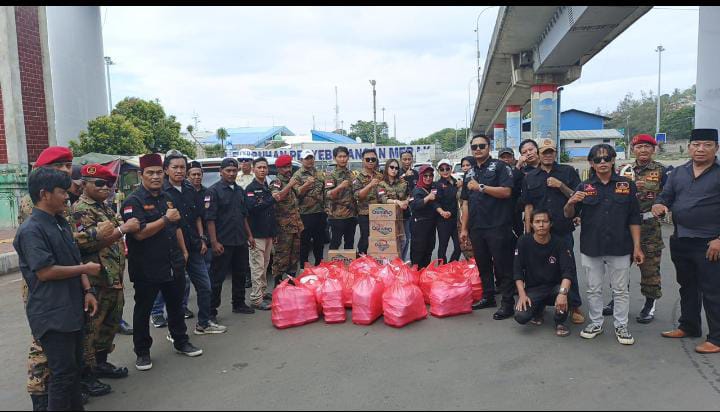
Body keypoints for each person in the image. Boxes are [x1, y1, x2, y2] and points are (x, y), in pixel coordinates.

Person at [17, 146, 98, 408]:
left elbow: (73, 257)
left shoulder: (60, 221)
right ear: (44, 194)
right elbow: (45, 271)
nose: (67, 197)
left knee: (73, 372)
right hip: (52, 312)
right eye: (62, 192)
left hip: (71, 307)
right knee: (61, 377)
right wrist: (85, 270)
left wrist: (87, 290)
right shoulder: (32, 228)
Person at [122, 153, 203, 371]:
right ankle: (142, 352)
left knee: (176, 306)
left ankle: (181, 341)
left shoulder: (166, 198)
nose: (156, 177)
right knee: (143, 310)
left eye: (159, 172)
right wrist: (165, 218)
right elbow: (139, 234)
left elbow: (175, 227)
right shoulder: (133, 202)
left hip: (172, 262)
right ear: (141, 175)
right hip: (146, 267)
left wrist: (184, 251)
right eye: (151, 173)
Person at [564, 144, 643, 345]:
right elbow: (568, 214)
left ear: (613, 160)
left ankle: (621, 325)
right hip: (592, 246)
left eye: (606, 158)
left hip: (620, 246)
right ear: (591, 163)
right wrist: (571, 202)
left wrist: (637, 247)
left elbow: (634, 218)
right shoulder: (584, 187)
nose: (602, 163)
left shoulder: (626, 185)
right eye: (597, 160)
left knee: (620, 289)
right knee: (593, 288)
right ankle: (596, 322)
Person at [73, 164, 140, 397]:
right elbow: (86, 243)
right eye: (99, 183)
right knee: (92, 329)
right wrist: (122, 230)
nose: (105, 188)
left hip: (113, 277)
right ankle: (87, 376)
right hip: (96, 280)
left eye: (108, 184)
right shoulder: (81, 209)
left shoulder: (104, 206)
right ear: (84, 185)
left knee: (109, 325)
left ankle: (101, 363)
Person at [653, 128, 720, 354]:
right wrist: (659, 205)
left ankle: (717, 338)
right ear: (690, 147)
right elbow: (665, 197)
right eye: (696, 144)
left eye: (707, 145)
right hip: (681, 239)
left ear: (716, 148)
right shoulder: (679, 173)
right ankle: (689, 326)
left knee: (712, 290)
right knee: (687, 287)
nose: (701, 149)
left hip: (710, 243)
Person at [519, 138, 585, 325]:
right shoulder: (530, 177)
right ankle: (539, 306)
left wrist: (560, 185)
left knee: (568, 266)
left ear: (556, 153)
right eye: (544, 152)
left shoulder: (567, 171)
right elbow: (528, 206)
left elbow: (578, 197)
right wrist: (527, 231)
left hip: (562, 228)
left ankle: (574, 305)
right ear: (539, 154)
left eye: (551, 151)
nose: (548, 155)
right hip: (539, 231)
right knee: (537, 268)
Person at [603, 134, 667, 324]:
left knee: (649, 269)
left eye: (647, 146)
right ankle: (617, 300)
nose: (643, 150)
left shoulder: (662, 171)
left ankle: (649, 304)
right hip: (624, 227)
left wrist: (662, 209)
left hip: (649, 228)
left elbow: (668, 196)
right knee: (619, 268)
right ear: (633, 149)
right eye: (639, 147)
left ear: (653, 150)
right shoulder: (623, 170)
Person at [160, 151, 226, 334]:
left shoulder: (189, 189)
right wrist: (182, 250)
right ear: (166, 170)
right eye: (175, 167)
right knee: (176, 293)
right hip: (175, 251)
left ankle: (203, 324)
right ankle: (175, 331)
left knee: (205, 286)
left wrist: (202, 239)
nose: (179, 171)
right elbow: (172, 225)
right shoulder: (162, 192)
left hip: (195, 247)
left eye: (182, 167)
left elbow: (197, 216)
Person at [460, 134, 516, 320]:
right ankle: (488, 296)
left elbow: (507, 192)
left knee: (502, 266)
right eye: (474, 146)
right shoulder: (469, 172)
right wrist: (464, 228)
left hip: (498, 225)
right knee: (483, 264)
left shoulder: (501, 167)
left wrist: (482, 187)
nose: (477, 149)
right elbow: (466, 203)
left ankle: (507, 303)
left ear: (488, 147)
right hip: (477, 227)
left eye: (481, 146)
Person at [206, 158, 256, 319]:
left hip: (240, 240)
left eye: (234, 171)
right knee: (217, 278)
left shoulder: (239, 191)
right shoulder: (213, 191)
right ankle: (211, 310)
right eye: (228, 171)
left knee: (240, 273)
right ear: (221, 172)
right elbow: (210, 219)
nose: (232, 173)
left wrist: (249, 235)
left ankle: (239, 303)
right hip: (223, 242)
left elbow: (244, 216)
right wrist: (214, 242)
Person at [514, 209, 575, 337]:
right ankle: (538, 309)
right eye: (537, 222)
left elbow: (568, 271)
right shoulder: (523, 242)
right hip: (534, 289)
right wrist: (522, 295)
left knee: (565, 292)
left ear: (550, 224)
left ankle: (560, 321)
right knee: (521, 316)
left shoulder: (560, 243)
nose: (541, 225)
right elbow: (517, 270)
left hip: (554, 288)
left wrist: (563, 293)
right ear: (531, 224)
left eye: (545, 221)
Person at [245, 157, 276, 310]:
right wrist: (271, 200)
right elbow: (252, 209)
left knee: (265, 264)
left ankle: (262, 292)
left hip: (268, 233)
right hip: (256, 234)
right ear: (253, 169)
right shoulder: (250, 189)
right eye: (259, 167)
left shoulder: (267, 187)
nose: (262, 170)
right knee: (257, 267)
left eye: (264, 167)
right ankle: (256, 299)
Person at [270, 155, 303, 285]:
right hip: (283, 228)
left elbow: (298, 194)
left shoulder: (292, 180)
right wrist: (289, 185)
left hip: (295, 225)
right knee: (281, 257)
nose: (288, 169)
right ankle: (278, 285)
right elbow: (277, 197)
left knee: (294, 257)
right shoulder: (277, 182)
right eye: (284, 167)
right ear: (278, 169)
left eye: (289, 166)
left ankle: (290, 283)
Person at [293, 150, 326, 266]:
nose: (309, 160)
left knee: (319, 242)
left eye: (311, 158)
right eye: (307, 158)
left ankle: (319, 265)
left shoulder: (319, 173)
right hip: (305, 214)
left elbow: (324, 192)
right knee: (305, 243)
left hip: (320, 213)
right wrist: (306, 185)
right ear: (302, 160)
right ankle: (303, 266)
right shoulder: (297, 175)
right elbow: (296, 192)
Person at [325, 146, 357, 250]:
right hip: (337, 216)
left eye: (345, 156)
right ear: (335, 158)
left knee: (350, 243)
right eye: (340, 157)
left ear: (348, 157)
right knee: (335, 243)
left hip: (351, 215)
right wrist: (340, 186)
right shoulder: (331, 175)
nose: (343, 159)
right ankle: (333, 266)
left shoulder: (351, 174)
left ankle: (348, 266)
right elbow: (328, 194)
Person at [353, 149, 384, 255]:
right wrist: (370, 185)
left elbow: (384, 192)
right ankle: (361, 258)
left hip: (380, 213)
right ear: (363, 160)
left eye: (373, 159)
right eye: (368, 159)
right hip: (364, 213)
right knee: (365, 238)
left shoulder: (380, 176)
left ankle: (378, 261)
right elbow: (357, 196)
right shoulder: (358, 177)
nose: (371, 161)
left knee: (380, 238)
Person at [409, 165, 440, 268]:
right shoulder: (416, 190)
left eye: (430, 175)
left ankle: (424, 275)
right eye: (425, 175)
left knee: (429, 250)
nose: (428, 178)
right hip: (419, 226)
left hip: (430, 225)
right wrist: (427, 198)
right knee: (418, 252)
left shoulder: (433, 187)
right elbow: (414, 205)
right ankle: (416, 276)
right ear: (421, 176)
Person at [378, 158, 409, 254]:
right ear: (387, 168)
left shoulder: (403, 183)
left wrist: (406, 202)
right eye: (391, 167)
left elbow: (409, 196)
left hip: (403, 216)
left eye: (396, 168)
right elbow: (382, 199)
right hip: (387, 217)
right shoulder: (381, 184)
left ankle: (401, 263)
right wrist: (397, 202)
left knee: (404, 241)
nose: (394, 170)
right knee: (389, 242)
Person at [433, 159, 461, 264]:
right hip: (443, 220)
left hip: (456, 220)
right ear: (439, 171)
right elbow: (435, 202)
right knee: (442, 247)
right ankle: (442, 268)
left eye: (447, 168)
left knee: (459, 247)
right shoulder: (436, 185)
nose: (445, 171)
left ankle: (451, 266)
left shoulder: (457, 182)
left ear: (451, 169)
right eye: (442, 169)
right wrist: (442, 212)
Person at [498, 147, 525, 240]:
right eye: (503, 157)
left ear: (513, 158)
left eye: (508, 157)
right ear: (498, 159)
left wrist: (518, 167)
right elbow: (510, 182)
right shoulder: (495, 172)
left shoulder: (521, 170)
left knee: (519, 235)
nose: (506, 159)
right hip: (500, 210)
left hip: (515, 208)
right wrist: (518, 166)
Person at [399, 151, 419, 261]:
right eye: (404, 159)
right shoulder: (397, 172)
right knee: (403, 238)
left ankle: (408, 259)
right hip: (401, 210)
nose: (407, 161)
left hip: (414, 209)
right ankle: (400, 259)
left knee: (411, 237)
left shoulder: (416, 173)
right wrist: (403, 176)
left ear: (412, 159)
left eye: (409, 159)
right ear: (400, 160)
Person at [457, 156, 475, 260]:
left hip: (474, 219)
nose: (465, 167)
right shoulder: (461, 181)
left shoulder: (476, 181)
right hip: (461, 219)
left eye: (468, 165)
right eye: (463, 165)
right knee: (465, 246)